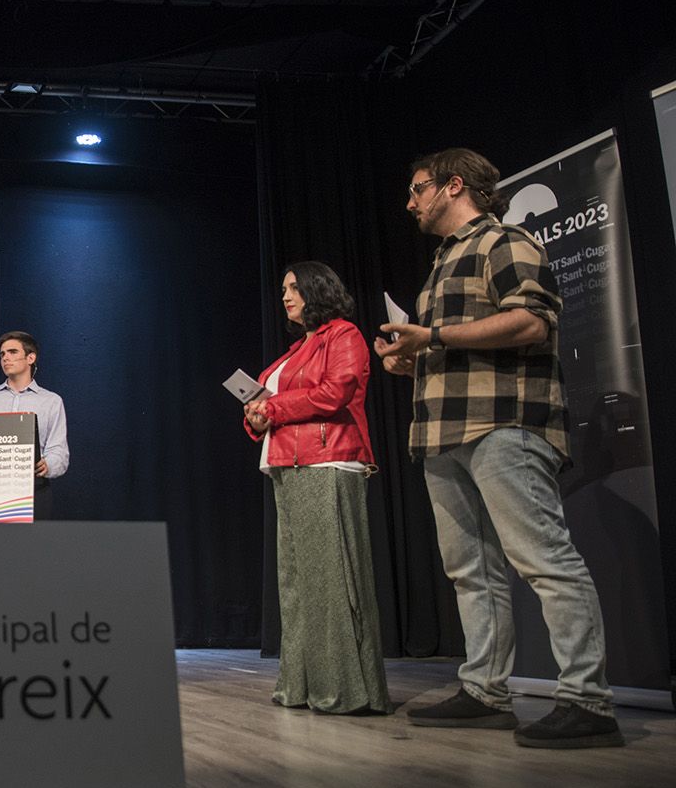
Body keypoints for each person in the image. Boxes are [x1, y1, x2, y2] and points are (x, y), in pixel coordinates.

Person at [375, 147, 621, 748]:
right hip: (442, 431)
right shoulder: (443, 261)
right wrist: (410, 361)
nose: (409, 202)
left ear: (454, 185)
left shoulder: (503, 242)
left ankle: (588, 700)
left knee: (543, 559)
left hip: (502, 424)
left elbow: (532, 323)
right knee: (470, 572)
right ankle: (485, 691)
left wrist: (431, 334)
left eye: (417, 189)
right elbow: (458, 347)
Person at [243, 263, 390, 715]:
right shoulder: (295, 349)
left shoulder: (343, 335)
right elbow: (274, 406)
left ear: (316, 289)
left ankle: (347, 690)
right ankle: (304, 685)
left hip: (329, 462)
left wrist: (274, 406)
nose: (285, 296)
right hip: (289, 466)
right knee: (298, 583)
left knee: (332, 579)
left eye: (293, 288)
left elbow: (334, 393)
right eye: (282, 289)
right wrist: (255, 416)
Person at [0, 331, 69, 515]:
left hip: (33, 488)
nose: (5, 358)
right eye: (2, 354)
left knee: (32, 544)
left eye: (12, 352)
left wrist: (47, 464)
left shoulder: (51, 401)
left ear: (31, 357)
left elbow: (59, 451)